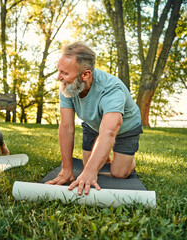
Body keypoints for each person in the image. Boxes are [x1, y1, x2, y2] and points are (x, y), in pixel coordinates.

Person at [46, 42, 142, 195]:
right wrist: (66, 170)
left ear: (85, 74)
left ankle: (125, 160)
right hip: (93, 125)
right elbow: (66, 127)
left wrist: (90, 172)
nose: (59, 77)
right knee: (87, 164)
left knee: (119, 173)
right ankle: (105, 153)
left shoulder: (111, 89)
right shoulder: (67, 86)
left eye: (64, 73)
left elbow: (109, 132)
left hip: (126, 127)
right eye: (59, 71)